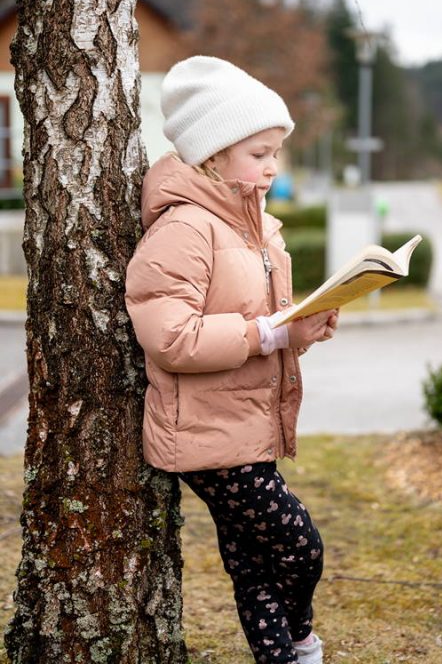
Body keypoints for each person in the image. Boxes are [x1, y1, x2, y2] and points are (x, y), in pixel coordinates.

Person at [125, 56, 338, 664]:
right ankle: (301, 636)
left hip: (243, 424)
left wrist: (301, 329)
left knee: (253, 564)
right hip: (204, 430)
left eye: (276, 153)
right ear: (213, 156)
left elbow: (264, 326)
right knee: (300, 546)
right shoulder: (186, 228)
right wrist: (269, 333)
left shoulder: (258, 229)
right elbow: (172, 337)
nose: (272, 167)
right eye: (258, 153)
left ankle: (286, 654)